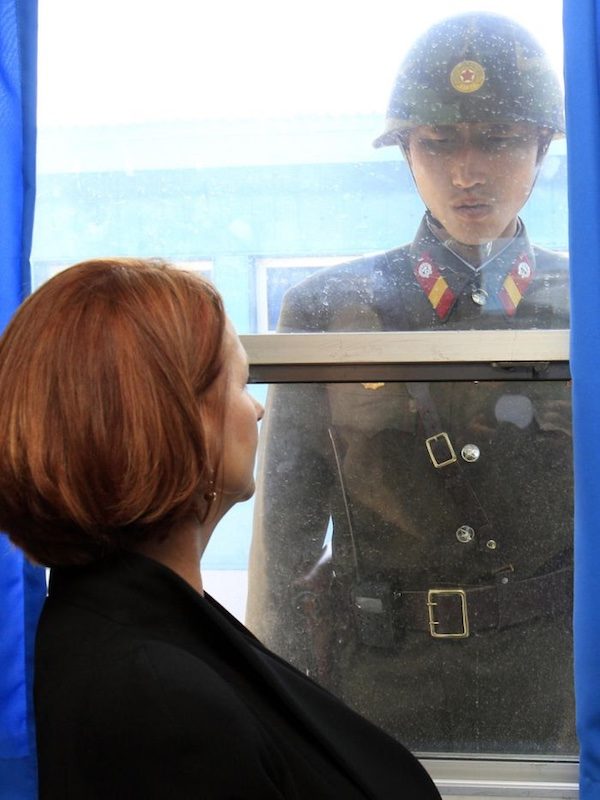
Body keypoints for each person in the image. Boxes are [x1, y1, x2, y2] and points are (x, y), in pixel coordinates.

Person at [247, 12, 575, 755]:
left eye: (495, 139)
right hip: (381, 696)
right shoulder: (328, 314)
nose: (466, 171)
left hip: (558, 692)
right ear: (405, 154)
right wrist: (283, 717)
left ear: (541, 147)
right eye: (436, 143)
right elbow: (288, 538)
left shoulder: (581, 303)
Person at [0, 259, 441, 799]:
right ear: (180, 423)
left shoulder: (134, 620)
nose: (256, 410)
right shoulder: (161, 703)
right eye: (238, 383)